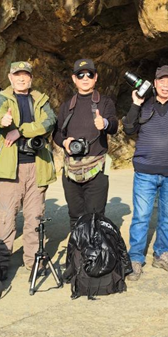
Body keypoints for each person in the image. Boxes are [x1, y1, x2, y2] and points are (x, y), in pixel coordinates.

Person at [0, 61, 57, 275]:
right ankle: (1, 262)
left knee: (35, 216)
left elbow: (50, 122)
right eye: (17, 75)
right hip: (10, 167)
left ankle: (34, 261)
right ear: (10, 77)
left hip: (37, 165)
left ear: (31, 78)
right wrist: (4, 119)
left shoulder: (40, 99)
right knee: (6, 216)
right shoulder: (3, 98)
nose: (21, 78)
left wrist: (21, 131)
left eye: (25, 75)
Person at [123, 65, 168, 281]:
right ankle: (135, 258)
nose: (166, 85)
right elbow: (129, 128)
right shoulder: (144, 104)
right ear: (155, 83)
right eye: (162, 81)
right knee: (141, 217)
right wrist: (136, 103)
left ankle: (161, 254)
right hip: (145, 171)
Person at [53, 59, 119, 230]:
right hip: (71, 169)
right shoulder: (67, 106)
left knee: (96, 217)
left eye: (89, 74)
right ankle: (78, 247)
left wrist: (104, 123)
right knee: (75, 217)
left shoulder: (105, 102)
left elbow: (114, 125)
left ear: (95, 77)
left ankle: (95, 248)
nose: (85, 78)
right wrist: (65, 142)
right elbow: (57, 133)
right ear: (74, 79)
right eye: (80, 75)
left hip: (97, 168)